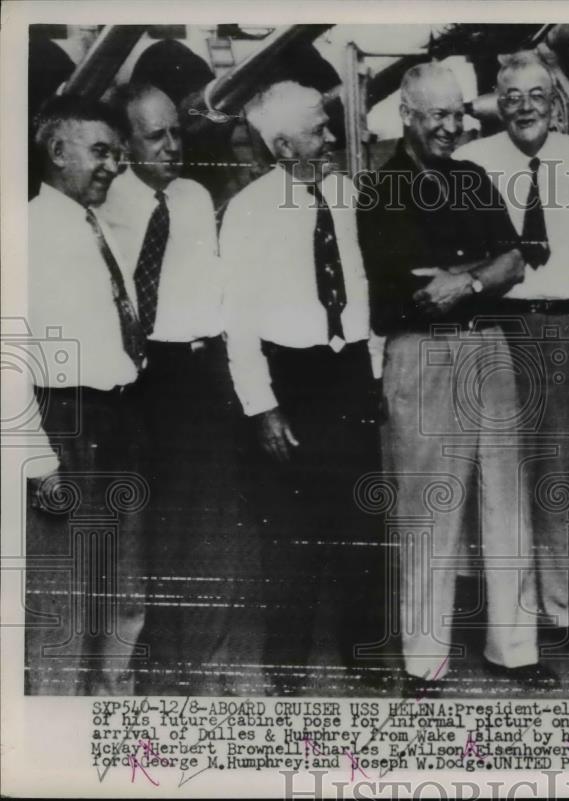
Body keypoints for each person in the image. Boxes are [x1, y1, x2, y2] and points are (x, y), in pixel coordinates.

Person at [357, 62, 557, 695]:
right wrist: (481, 270)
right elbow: (410, 292)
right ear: (407, 116)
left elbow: (516, 262)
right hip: (421, 355)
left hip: (489, 350)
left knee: (507, 503)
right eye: (436, 114)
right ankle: (425, 661)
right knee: (426, 511)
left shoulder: (472, 179)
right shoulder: (378, 189)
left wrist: (465, 277)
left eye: (456, 113)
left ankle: (514, 648)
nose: (449, 126)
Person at [221, 81, 383, 694]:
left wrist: (373, 367)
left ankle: (365, 658)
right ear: (284, 144)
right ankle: (286, 665)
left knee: (361, 527)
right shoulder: (249, 211)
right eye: (319, 129)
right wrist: (263, 409)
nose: (332, 138)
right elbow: (237, 318)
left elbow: (361, 282)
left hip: (346, 375)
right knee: (289, 535)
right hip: (289, 381)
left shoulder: (346, 194)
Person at [98, 83, 253, 694]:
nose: (171, 146)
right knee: (142, 527)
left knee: (209, 527)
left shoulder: (194, 197)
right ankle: (143, 663)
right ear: (127, 141)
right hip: (137, 374)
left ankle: (202, 664)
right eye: (155, 136)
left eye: (176, 133)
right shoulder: (105, 197)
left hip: (198, 374)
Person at [454, 51, 569, 648]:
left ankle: (558, 616)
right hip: (499, 329)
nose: (524, 108)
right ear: (496, 100)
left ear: (554, 102)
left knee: (553, 479)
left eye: (536, 95)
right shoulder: (472, 161)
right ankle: (508, 622)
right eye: (511, 96)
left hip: (562, 328)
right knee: (500, 479)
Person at [26, 94, 146, 695]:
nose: (112, 165)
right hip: (61, 423)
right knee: (64, 602)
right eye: (100, 151)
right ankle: (54, 738)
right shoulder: (22, 230)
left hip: (115, 418)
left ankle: (111, 721)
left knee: (122, 589)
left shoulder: (95, 226)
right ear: (56, 151)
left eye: (118, 154)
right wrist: (37, 460)